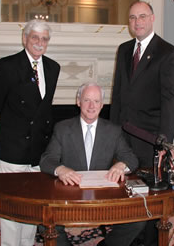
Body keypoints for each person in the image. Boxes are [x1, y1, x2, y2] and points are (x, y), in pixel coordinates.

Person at [110, 1, 174, 246]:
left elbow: (171, 102)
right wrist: (111, 134)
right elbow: (117, 95)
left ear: (152, 18)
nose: (137, 22)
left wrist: (164, 143)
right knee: (125, 191)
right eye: (132, 17)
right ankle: (126, 238)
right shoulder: (123, 49)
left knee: (150, 196)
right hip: (123, 137)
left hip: (150, 139)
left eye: (142, 16)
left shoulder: (168, 53)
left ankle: (148, 241)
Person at [40, 82, 146, 246]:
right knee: (43, 221)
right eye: (87, 100)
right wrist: (60, 169)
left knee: (139, 219)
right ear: (78, 101)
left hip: (104, 198)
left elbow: (131, 158)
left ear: (102, 105)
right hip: (70, 196)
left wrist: (121, 165)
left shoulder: (113, 130)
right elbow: (47, 159)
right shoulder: (62, 128)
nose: (91, 106)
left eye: (96, 101)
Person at [0, 19, 60, 246]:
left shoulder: (52, 67)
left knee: (31, 204)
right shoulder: (7, 66)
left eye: (44, 39)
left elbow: (44, 108)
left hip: (38, 149)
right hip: (14, 147)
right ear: (25, 39)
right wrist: (13, 129)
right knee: (12, 205)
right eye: (35, 38)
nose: (40, 43)